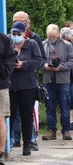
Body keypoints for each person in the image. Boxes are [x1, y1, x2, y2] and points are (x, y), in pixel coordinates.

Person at [11, 11, 46, 151]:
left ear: (27, 24)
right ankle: (11, 141)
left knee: (27, 115)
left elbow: (40, 60)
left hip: (28, 84)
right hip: (11, 85)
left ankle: (29, 142)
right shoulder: (7, 41)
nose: (16, 36)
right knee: (11, 115)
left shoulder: (33, 41)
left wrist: (24, 65)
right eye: (14, 21)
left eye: (21, 21)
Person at [41, 24, 73, 141]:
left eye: (53, 36)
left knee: (64, 105)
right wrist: (44, 65)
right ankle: (51, 130)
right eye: (49, 36)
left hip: (63, 81)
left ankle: (66, 130)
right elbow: (38, 60)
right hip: (48, 80)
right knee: (49, 106)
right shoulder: (43, 44)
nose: (51, 38)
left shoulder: (66, 45)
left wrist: (60, 67)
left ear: (58, 34)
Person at [0, 31, 17, 162]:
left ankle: (0, 152)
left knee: (0, 119)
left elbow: (10, 60)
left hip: (1, 85)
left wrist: (3, 72)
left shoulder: (3, 39)